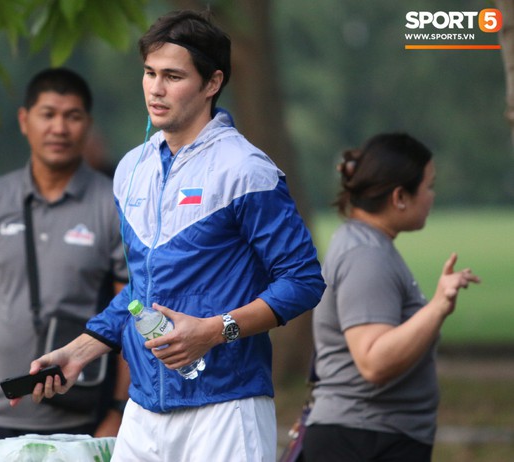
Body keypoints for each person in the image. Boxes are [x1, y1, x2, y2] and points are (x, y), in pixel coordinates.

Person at [19, 10, 326, 462]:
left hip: (225, 405)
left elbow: (303, 280)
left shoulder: (246, 169)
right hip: (143, 410)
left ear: (212, 82)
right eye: (150, 73)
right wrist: (79, 352)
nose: (156, 89)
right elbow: (141, 292)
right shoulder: (131, 169)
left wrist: (213, 331)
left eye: (173, 76)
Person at [0, 68, 130, 462]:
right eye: (48, 114)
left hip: (85, 414)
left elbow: (132, 310)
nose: (59, 128)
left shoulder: (114, 204)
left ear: (88, 124)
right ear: (24, 120)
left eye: (72, 116)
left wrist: (119, 411)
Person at [302, 133, 481, 462]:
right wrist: (438, 307)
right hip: (364, 440)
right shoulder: (366, 256)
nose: (432, 196)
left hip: (368, 437)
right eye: (428, 186)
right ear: (400, 197)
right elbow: (374, 361)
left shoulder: (364, 244)